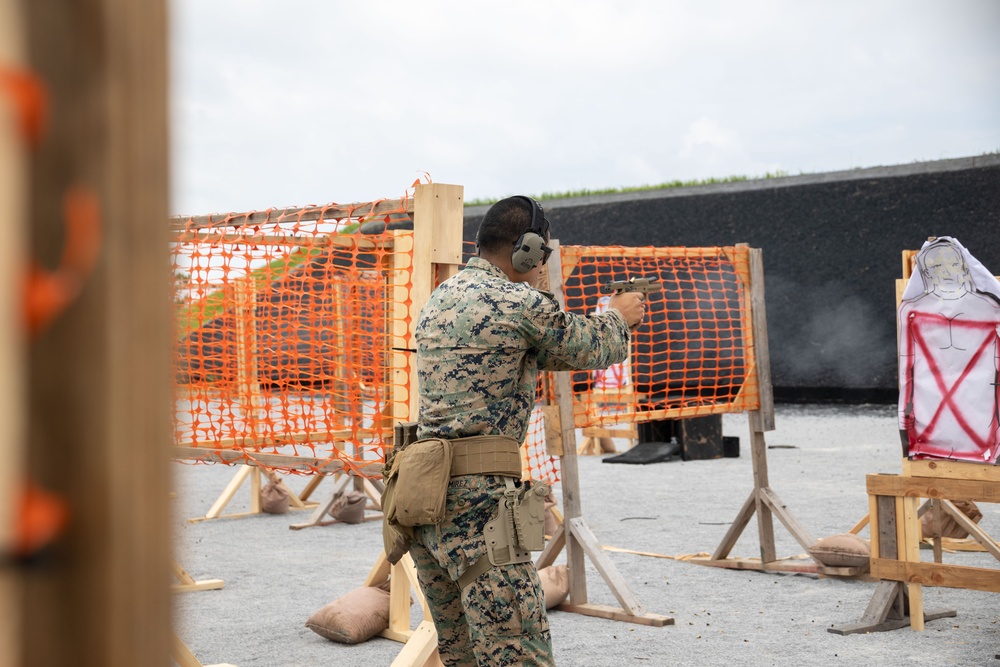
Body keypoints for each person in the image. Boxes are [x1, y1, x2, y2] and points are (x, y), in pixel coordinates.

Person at [409, 195, 646, 666]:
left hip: (425, 494)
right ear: (527, 249)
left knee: (463, 655)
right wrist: (618, 317)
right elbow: (588, 347)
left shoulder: (443, 296)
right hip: (481, 506)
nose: (542, 265)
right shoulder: (518, 302)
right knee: (519, 652)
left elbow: (536, 350)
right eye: (542, 255)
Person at [898, 236, 1000, 463]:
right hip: (931, 429)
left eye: (953, 265)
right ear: (926, 274)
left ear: (964, 270)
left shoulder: (991, 308)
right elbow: (908, 371)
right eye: (936, 267)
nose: (946, 273)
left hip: (981, 424)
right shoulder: (913, 313)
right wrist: (906, 424)